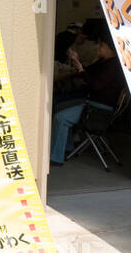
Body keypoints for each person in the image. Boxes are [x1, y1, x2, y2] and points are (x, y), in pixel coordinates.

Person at [50, 27, 125, 165]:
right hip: (91, 102)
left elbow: (95, 85)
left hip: (97, 109)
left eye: (101, 45)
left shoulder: (112, 66)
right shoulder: (104, 62)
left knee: (60, 117)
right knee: (60, 106)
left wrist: (80, 68)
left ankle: (56, 158)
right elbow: (87, 71)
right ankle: (67, 147)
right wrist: (77, 62)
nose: (98, 47)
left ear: (110, 48)